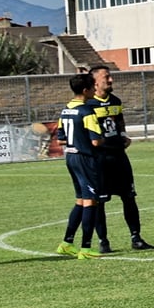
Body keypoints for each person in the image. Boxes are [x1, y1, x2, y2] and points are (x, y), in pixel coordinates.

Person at [88, 65, 150, 248]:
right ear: (95, 82)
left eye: (110, 77)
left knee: (129, 197)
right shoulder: (88, 105)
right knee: (100, 201)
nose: (110, 80)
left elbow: (120, 121)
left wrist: (123, 136)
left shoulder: (115, 101)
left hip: (119, 157)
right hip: (99, 160)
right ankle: (103, 241)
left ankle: (136, 238)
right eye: (106, 77)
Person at [56, 71, 102, 258]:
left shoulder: (65, 110)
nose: (95, 89)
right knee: (91, 201)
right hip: (85, 158)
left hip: (71, 157)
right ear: (86, 90)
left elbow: (60, 140)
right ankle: (86, 248)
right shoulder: (87, 111)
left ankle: (66, 243)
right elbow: (96, 141)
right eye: (93, 86)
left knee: (81, 200)